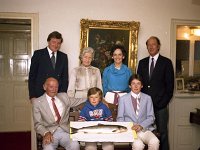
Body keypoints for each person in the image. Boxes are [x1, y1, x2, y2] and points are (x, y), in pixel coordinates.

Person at [137, 36, 174, 150]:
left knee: (162, 133)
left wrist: (162, 103)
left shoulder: (166, 62)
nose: (151, 46)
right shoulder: (142, 63)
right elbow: (139, 84)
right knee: (145, 133)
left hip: (160, 106)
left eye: (153, 44)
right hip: (145, 106)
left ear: (158, 46)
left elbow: (170, 87)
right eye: (149, 45)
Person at [32, 77, 86, 150]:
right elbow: (37, 124)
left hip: (65, 131)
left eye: (56, 87)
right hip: (50, 133)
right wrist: (46, 133)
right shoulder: (37, 102)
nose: (54, 89)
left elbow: (78, 101)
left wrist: (95, 98)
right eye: (51, 87)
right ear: (44, 87)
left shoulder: (64, 96)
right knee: (48, 148)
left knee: (75, 145)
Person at [117, 74, 159, 150]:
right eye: (133, 83)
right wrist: (129, 128)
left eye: (138, 83)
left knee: (155, 141)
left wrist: (141, 126)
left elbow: (151, 117)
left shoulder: (147, 98)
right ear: (130, 86)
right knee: (138, 145)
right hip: (130, 131)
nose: (136, 86)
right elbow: (120, 118)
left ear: (142, 86)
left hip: (144, 129)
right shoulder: (123, 99)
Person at [28, 31, 68, 101]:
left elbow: (65, 78)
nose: (56, 45)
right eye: (53, 42)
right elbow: (32, 77)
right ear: (48, 41)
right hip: (40, 93)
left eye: (58, 43)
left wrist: (63, 94)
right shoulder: (38, 54)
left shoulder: (63, 57)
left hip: (57, 94)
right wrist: (32, 95)